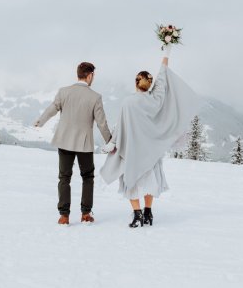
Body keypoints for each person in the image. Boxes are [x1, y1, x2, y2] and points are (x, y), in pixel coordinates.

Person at [100, 44, 199, 227]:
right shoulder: (156, 100)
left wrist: (112, 143)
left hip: (132, 152)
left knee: (131, 181)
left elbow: (121, 128)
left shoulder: (128, 103)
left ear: (136, 83)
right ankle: (148, 213)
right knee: (149, 182)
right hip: (151, 152)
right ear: (150, 84)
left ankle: (137, 214)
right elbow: (162, 79)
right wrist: (166, 53)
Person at [35, 62, 112, 225]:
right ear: (90, 75)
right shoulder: (95, 97)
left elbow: (52, 108)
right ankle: (85, 214)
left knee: (64, 177)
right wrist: (110, 142)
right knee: (87, 177)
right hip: (84, 144)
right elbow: (102, 123)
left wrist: (40, 121)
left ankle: (64, 216)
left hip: (64, 141)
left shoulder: (64, 92)